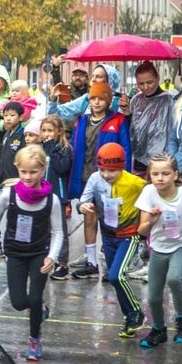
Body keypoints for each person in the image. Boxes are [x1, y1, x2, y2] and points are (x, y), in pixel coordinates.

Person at [0, 145, 64, 362]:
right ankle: (39, 309)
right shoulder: (9, 195)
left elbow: (58, 232)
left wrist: (52, 257)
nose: (28, 177)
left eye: (33, 172)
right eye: (24, 172)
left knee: (35, 296)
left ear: (43, 170)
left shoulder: (52, 200)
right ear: (17, 170)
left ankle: (34, 340)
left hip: (40, 253)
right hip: (16, 253)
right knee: (19, 301)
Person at [77, 143, 145, 336]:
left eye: (112, 171)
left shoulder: (134, 182)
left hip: (128, 235)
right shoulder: (95, 179)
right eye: (103, 169)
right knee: (113, 279)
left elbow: (153, 193)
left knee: (116, 275)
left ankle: (136, 313)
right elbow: (84, 199)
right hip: (107, 236)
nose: (106, 174)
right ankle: (130, 317)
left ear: (122, 167)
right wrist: (83, 206)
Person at [68, 82, 131, 279]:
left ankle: (113, 264)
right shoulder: (81, 121)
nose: (96, 102)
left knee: (112, 219)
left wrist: (123, 178)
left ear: (108, 100)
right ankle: (91, 262)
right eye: (93, 98)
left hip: (109, 176)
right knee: (89, 217)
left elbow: (126, 150)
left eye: (101, 98)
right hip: (86, 175)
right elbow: (73, 145)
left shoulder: (118, 121)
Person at [134, 154, 182, 347]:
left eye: (165, 173)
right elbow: (141, 230)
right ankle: (159, 330)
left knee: (174, 278)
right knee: (153, 297)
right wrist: (152, 221)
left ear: (175, 174)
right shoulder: (149, 192)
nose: (160, 178)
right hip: (158, 247)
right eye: (155, 174)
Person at [121, 61, 176, 178]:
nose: (145, 87)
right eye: (141, 84)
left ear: (158, 78)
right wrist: (126, 112)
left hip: (162, 161)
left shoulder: (170, 100)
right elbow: (131, 130)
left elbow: (174, 132)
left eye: (150, 82)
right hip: (138, 160)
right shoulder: (135, 100)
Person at [39, 115, 73, 280]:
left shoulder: (64, 149)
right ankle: (45, 257)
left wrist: (52, 149)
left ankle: (62, 262)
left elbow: (62, 168)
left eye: (50, 131)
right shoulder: (41, 148)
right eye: (44, 130)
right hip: (41, 193)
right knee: (43, 228)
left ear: (59, 132)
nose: (47, 134)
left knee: (59, 229)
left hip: (57, 194)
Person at [0, 102, 27, 187]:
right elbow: (1, 156)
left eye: (12, 115)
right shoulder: (6, 134)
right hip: (3, 179)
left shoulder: (23, 134)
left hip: (16, 179)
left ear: (20, 117)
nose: (8, 118)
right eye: (5, 116)